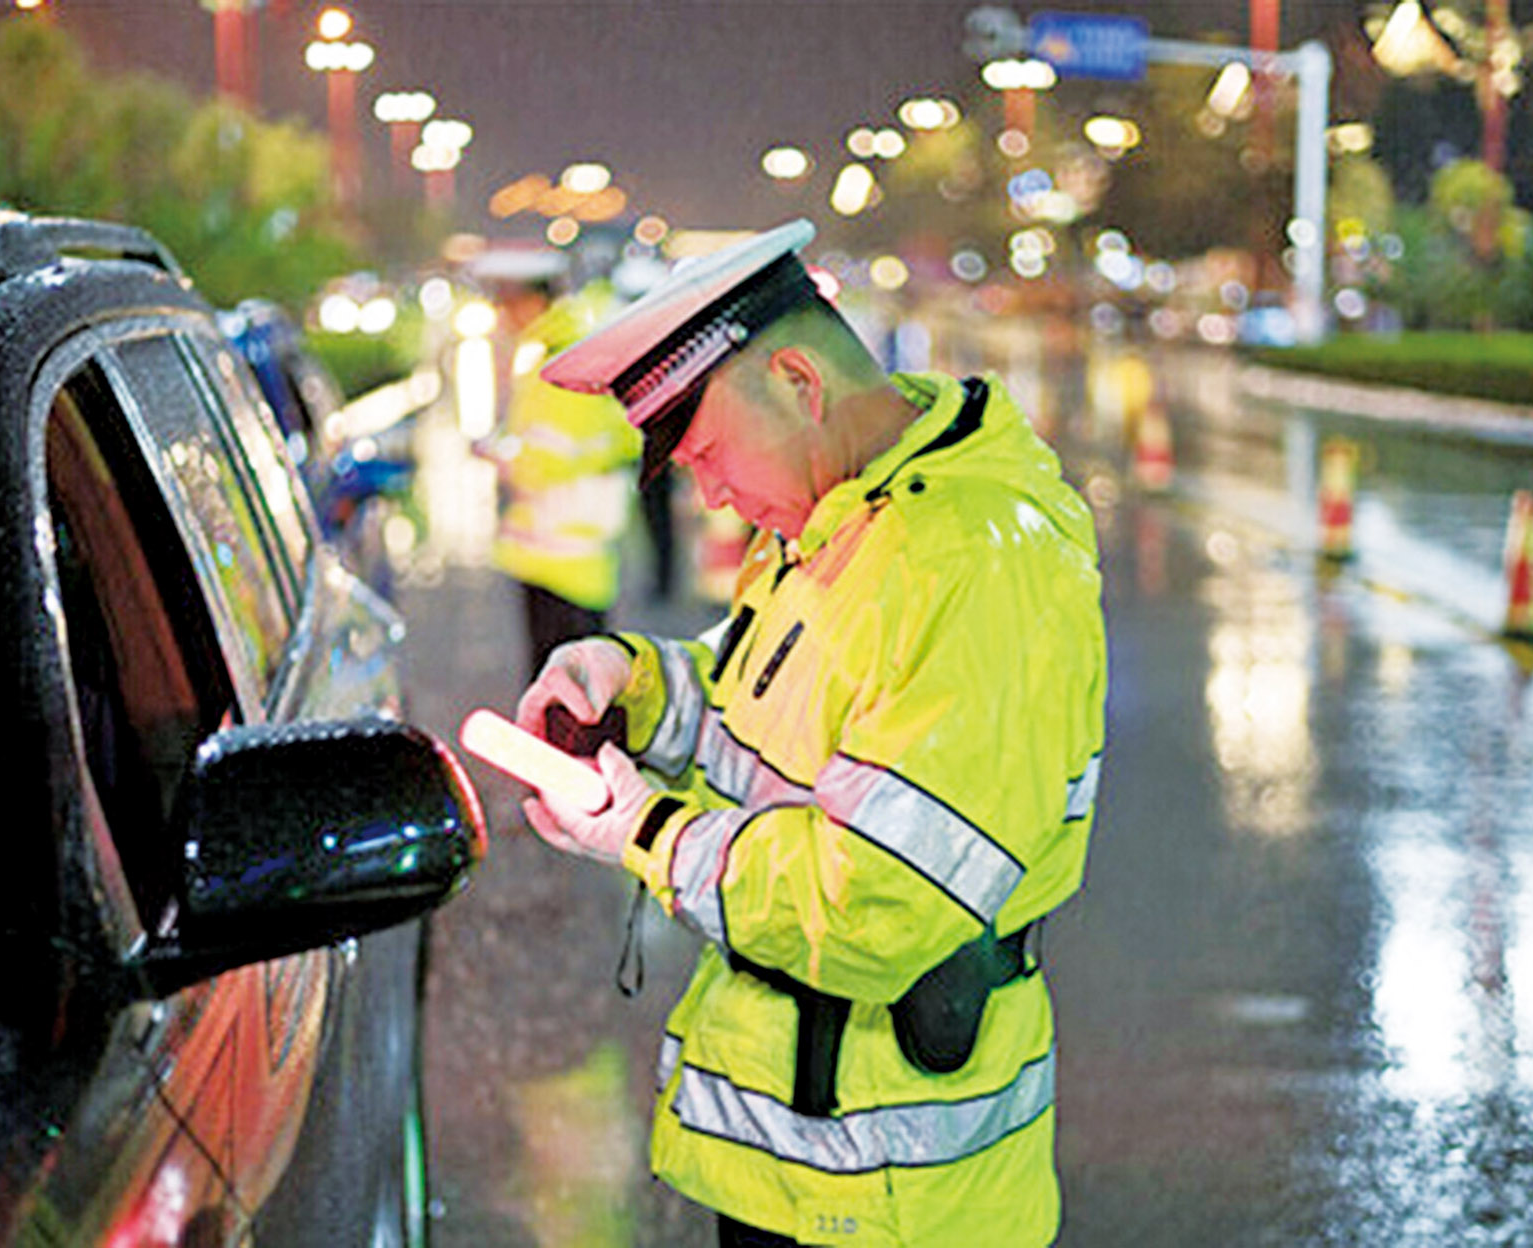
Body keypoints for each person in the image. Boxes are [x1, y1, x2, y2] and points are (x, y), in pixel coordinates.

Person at [512, 220, 1107, 1246]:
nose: (710, 493)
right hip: (812, 1165)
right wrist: (633, 682)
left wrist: (641, 831)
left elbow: (876, 900)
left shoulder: (967, 559)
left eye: (707, 452)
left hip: (889, 1197)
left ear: (797, 379)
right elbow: (768, 710)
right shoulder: (846, 517)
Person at [471, 249, 643, 676]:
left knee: (564, 689)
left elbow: (545, 458)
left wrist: (498, 456)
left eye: (506, 301)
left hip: (561, 558)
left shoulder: (559, 362)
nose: (503, 314)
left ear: (531, 300)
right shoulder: (564, 347)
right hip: (570, 554)